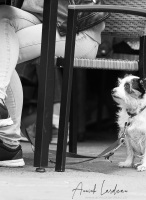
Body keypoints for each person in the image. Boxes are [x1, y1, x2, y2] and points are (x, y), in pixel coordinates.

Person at [0, 0, 109, 167]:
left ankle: (8, 143)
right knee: (2, 20)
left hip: (77, 31)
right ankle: (7, 145)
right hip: (44, 22)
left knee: (4, 49)